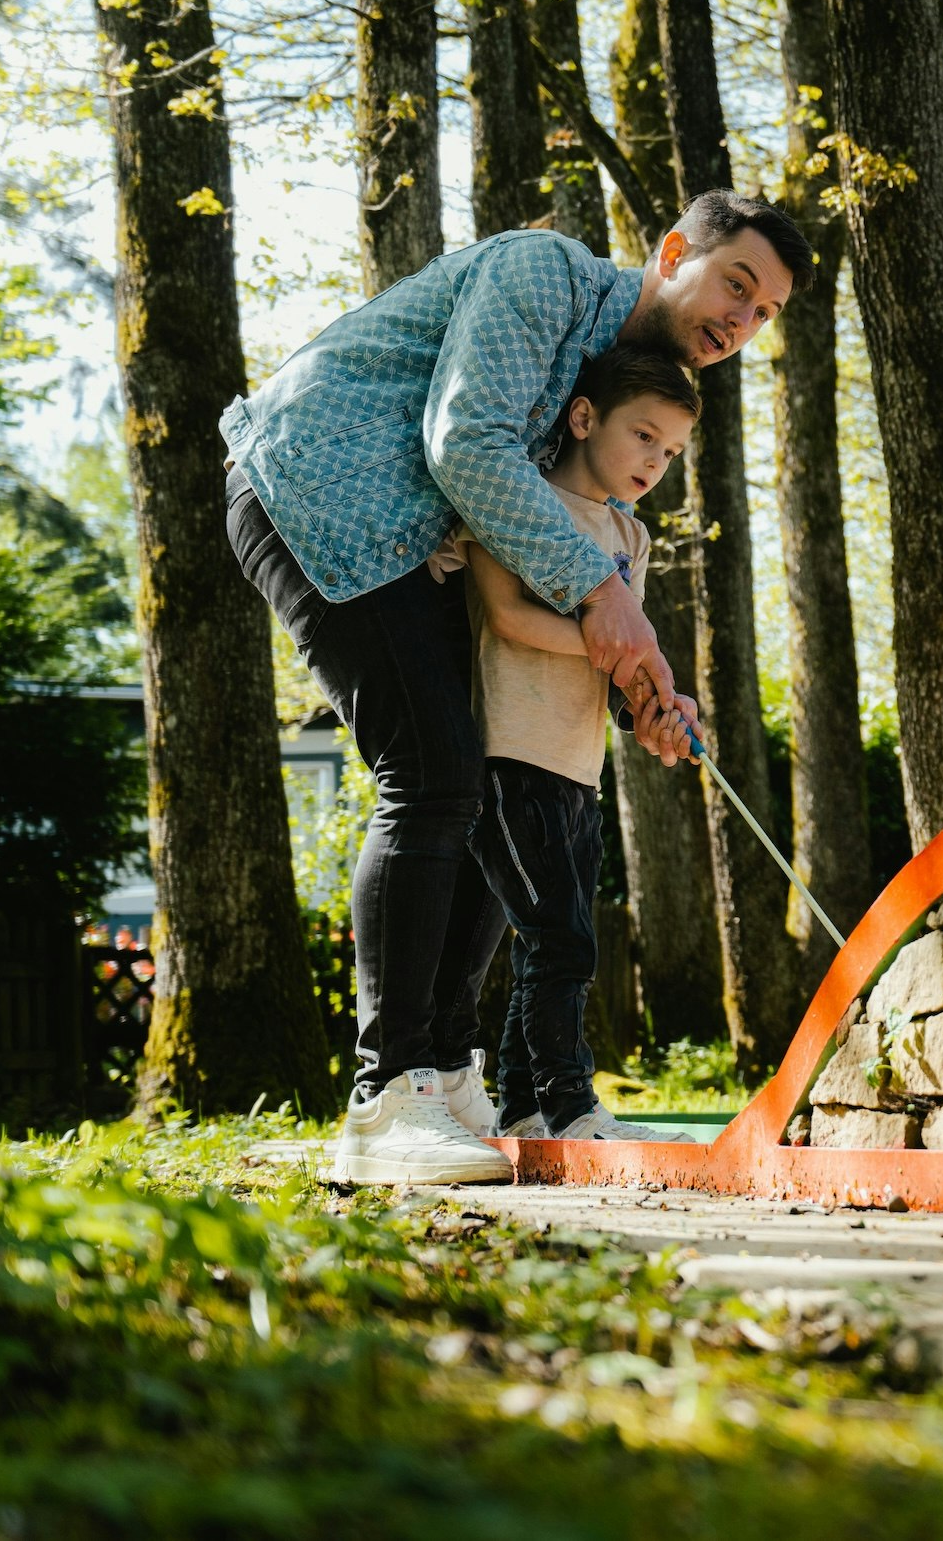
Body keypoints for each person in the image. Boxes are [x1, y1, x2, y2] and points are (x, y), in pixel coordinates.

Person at [221, 191, 814, 1185]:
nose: (741, 321)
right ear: (674, 252)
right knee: (432, 773)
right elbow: (466, 441)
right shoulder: (544, 276)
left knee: (485, 775)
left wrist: (639, 686)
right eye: (736, 285)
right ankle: (387, 1094)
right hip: (319, 493)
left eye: (765, 314)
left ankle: (449, 1076)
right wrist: (599, 595)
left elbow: (537, 548)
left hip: (420, 547)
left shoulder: (606, 384)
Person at [436, 343, 699, 1145]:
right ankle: (571, 1105)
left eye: (671, 451)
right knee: (562, 940)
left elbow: (624, 667)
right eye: (644, 435)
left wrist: (654, 704)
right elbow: (508, 617)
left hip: (579, 771)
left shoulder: (631, 538)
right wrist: (615, 647)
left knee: (554, 939)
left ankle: (525, 1108)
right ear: (584, 417)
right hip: (509, 760)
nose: (655, 461)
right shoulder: (513, 498)